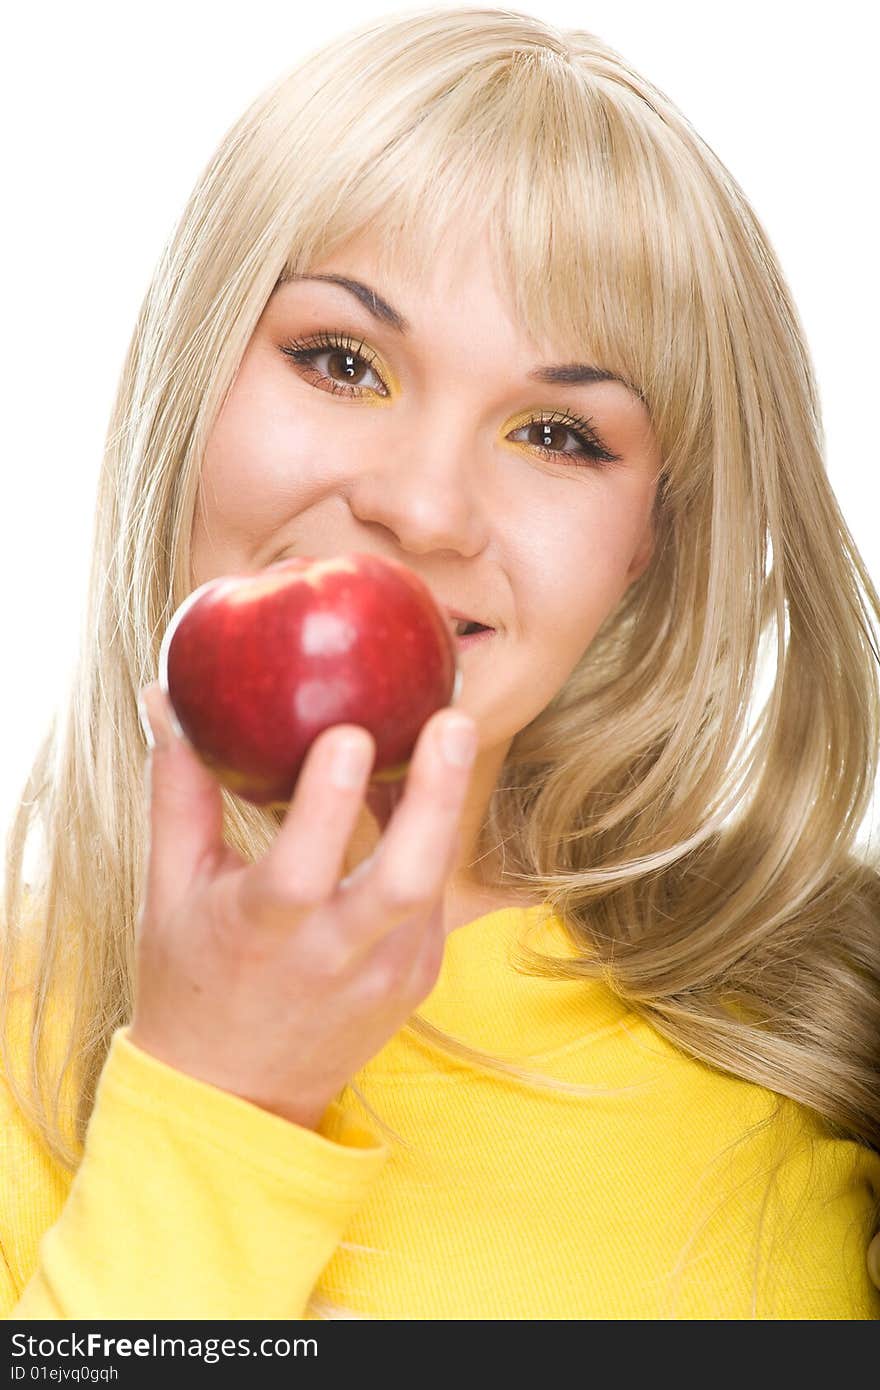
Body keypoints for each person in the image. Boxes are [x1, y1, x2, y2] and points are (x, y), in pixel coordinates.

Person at [2, 6, 879, 1321]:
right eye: (341, 360)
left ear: (648, 541)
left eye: (559, 434)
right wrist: (217, 1097)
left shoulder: (826, 1008)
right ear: (193, 378)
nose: (423, 507)